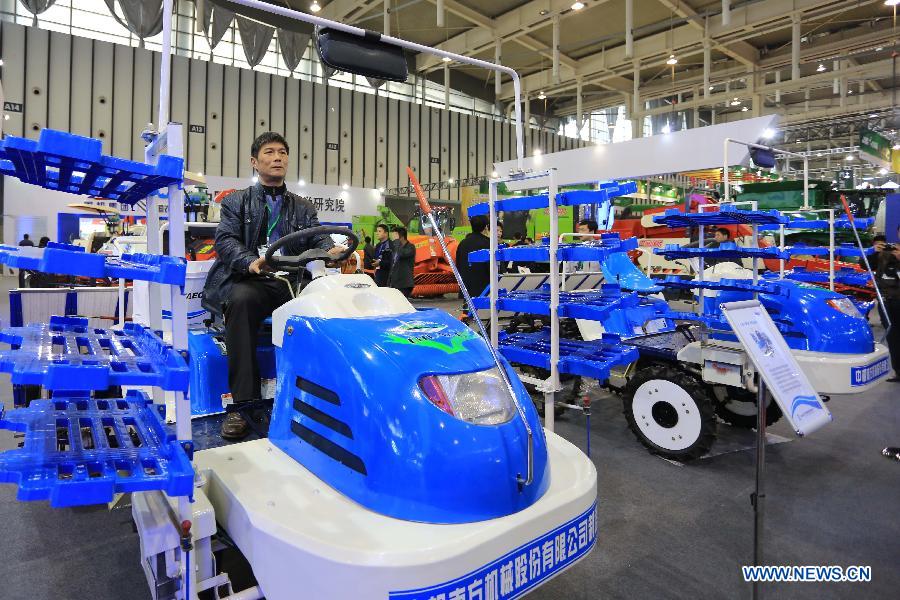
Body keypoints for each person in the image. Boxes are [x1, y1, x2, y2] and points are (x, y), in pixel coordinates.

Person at [202, 131, 343, 440]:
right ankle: (244, 406)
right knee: (240, 302)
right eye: (269, 152)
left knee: (331, 306)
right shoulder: (236, 202)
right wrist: (250, 261)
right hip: (253, 280)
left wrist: (333, 251)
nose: (277, 157)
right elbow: (225, 240)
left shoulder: (303, 207)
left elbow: (320, 239)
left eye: (282, 152)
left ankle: (323, 398)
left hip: (292, 282)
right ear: (255, 162)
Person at [456, 215, 506, 297]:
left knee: (468, 309)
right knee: (484, 310)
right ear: (486, 227)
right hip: (485, 289)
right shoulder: (489, 244)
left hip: (466, 288)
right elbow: (495, 267)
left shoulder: (462, 243)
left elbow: (458, 264)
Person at [875, 232, 900, 383]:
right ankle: (898, 371)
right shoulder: (887, 252)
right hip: (887, 300)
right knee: (893, 336)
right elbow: (864, 264)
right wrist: (873, 252)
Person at [388, 227, 416, 297]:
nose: (393, 239)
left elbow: (402, 254)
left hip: (404, 284)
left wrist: (397, 241)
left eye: (395, 236)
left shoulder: (410, 247)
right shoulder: (395, 248)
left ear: (402, 237)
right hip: (394, 283)